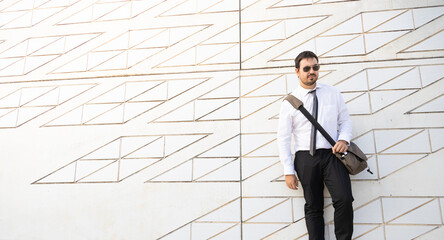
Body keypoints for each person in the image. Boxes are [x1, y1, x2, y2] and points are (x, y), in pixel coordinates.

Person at [277, 51, 354, 240]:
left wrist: (343, 139)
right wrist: (288, 170)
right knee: (313, 206)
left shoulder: (332, 93)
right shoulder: (289, 102)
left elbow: (345, 121)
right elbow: (283, 138)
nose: (312, 72)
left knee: (344, 199)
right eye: (307, 68)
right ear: (297, 71)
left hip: (332, 155)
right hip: (305, 158)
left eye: (315, 68)